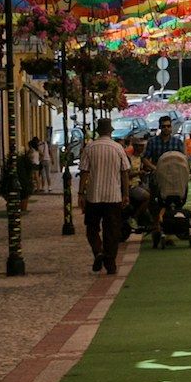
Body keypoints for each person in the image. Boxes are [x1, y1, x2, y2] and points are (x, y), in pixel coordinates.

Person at [79, 118, 130, 275]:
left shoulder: (90, 148)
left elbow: (84, 173)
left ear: (98, 131)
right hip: (113, 195)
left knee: (92, 228)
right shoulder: (118, 148)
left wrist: (81, 193)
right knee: (112, 230)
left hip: (94, 195)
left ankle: (98, 251)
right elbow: (125, 173)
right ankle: (110, 262)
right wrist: (125, 194)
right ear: (110, 131)